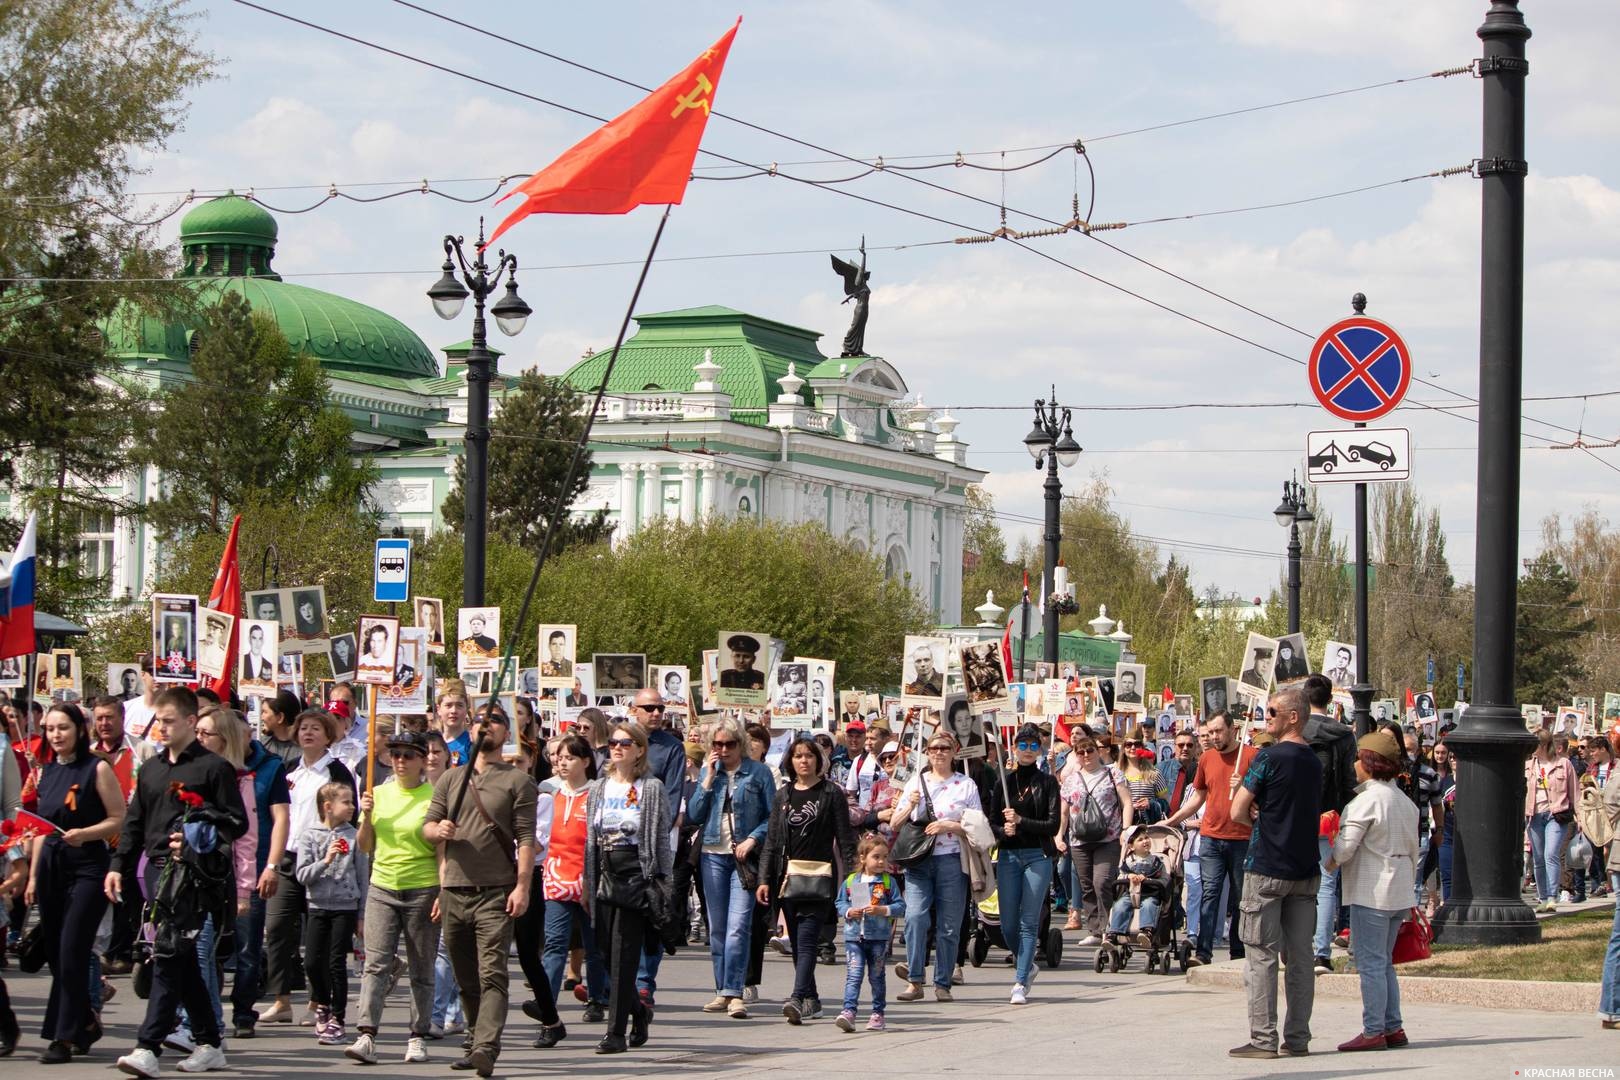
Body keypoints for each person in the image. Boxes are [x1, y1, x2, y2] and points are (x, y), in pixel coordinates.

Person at [107, 687, 248, 1079]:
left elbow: (237, 822)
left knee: (168, 953)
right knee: (180, 958)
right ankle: (208, 1040)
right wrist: (117, 865)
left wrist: (197, 830)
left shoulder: (213, 768)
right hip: (153, 872)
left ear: (189, 721)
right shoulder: (151, 768)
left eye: (169, 721)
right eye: (158, 721)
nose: (162, 728)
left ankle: (147, 1045)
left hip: (193, 876)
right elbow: (134, 822)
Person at [424, 709, 536, 1077]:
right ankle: (474, 1037)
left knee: (493, 974)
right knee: (465, 976)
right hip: (455, 889)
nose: (485, 726)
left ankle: (487, 1045)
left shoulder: (518, 781)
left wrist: (522, 886)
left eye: (495, 721)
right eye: (480, 721)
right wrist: (436, 830)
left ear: (507, 732)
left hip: (496, 891)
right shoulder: (450, 779)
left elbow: (524, 839)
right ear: (470, 731)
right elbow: (428, 827)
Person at [1227, 686, 1323, 1060]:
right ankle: (1297, 1037)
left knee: (1261, 956)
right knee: (1300, 957)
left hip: (1266, 867)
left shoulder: (1268, 758)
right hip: (1305, 870)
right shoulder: (1313, 760)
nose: (1266, 718)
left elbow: (1237, 811)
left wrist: (1256, 813)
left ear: (1292, 716)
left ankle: (1263, 1039)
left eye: (1271, 712)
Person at [25, 704, 125, 1063]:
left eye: (62, 728)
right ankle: (85, 1022)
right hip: (52, 863)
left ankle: (63, 1037)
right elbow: (39, 828)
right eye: (50, 728)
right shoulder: (45, 772)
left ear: (80, 730)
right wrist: (34, 876)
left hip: (88, 867)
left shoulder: (97, 767)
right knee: (55, 953)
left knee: (72, 951)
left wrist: (86, 833)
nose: (55, 735)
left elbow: (118, 818)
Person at [345, 731, 440, 1064]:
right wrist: (367, 816)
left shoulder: (433, 796)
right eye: (395, 754)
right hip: (383, 886)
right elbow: (365, 846)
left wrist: (442, 891)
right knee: (375, 964)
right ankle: (367, 1034)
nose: (400, 761)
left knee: (421, 966)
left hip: (423, 887)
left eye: (408, 755)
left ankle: (417, 1035)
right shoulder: (378, 793)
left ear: (421, 761)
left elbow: (441, 850)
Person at [1323, 728, 1419, 1052]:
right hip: (1400, 890)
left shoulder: (1365, 801)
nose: (1353, 765)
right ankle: (1393, 1026)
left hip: (1372, 889)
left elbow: (1346, 848)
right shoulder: (1404, 801)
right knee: (1384, 961)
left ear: (1369, 762)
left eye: (1357, 759)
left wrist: (1329, 860)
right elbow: (1414, 850)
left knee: (1370, 962)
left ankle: (1373, 1029)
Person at [584, 720, 673, 1055]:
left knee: (624, 954)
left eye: (625, 743)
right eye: (613, 743)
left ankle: (615, 1033)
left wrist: (663, 885)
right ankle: (637, 1010)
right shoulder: (599, 787)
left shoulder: (651, 788)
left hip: (637, 874)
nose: (617, 747)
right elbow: (591, 841)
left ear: (639, 750)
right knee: (605, 952)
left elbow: (660, 840)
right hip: (605, 872)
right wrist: (586, 880)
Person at [756, 737, 857, 1024]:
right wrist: (764, 878)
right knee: (799, 940)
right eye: (798, 756)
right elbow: (773, 842)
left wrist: (852, 879)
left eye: (809, 756)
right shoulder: (783, 795)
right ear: (790, 761)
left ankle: (798, 997)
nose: (804, 761)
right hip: (787, 878)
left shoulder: (830, 793)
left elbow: (845, 839)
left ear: (818, 760)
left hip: (820, 877)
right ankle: (812, 999)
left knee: (809, 938)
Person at [686, 714, 774, 1020]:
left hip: (743, 859)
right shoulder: (711, 773)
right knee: (719, 928)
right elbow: (695, 813)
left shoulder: (759, 773)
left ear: (742, 744)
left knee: (739, 926)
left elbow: (772, 816)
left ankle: (735, 991)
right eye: (718, 744)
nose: (724, 750)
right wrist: (707, 779)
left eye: (730, 744)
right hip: (713, 853)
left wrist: (752, 838)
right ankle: (722, 990)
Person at [1164, 710, 1257, 967]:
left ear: (1233, 729)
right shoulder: (1206, 758)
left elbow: (1265, 798)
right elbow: (1198, 797)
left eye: (1218, 731)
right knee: (1210, 893)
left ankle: (1238, 952)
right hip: (1211, 837)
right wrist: (1172, 820)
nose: (1214, 737)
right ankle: (1203, 951)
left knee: (1240, 898)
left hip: (1242, 837)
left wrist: (1245, 787)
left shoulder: (1251, 757)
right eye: (1210, 732)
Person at [893, 731, 980, 1002]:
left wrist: (949, 826)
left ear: (954, 752)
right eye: (934, 748)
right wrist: (910, 805)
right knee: (916, 917)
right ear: (927, 753)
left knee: (949, 924)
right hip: (920, 859)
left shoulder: (966, 785)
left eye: (944, 748)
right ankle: (915, 980)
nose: (939, 753)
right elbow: (895, 823)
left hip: (952, 858)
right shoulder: (915, 783)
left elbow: (978, 825)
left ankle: (943, 981)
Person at [983, 723, 1060, 1004]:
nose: (1028, 750)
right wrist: (1004, 830)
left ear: (1039, 750)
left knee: (1029, 921)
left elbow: (1053, 825)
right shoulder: (1003, 781)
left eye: (1033, 745)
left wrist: (1021, 821)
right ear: (1014, 748)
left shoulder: (1048, 782)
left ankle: (1020, 980)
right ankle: (1027, 964)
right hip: (1008, 855)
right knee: (1007, 923)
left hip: (1037, 856)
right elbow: (991, 822)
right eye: (1023, 745)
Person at [539, 735, 608, 1026]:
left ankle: (596, 998)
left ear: (586, 761)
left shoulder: (597, 793)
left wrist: (592, 881)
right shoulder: (548, 793)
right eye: (560, 757)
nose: (563, 762)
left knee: (593, 946)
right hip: (556, 878)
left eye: (570, 757)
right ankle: (546, 1002)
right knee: (555, 943)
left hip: (588, 879)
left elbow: (602, 839)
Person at [295, 780, 368, 1046]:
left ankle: (337, 1017)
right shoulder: (310, 834)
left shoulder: (354, 835)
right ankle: (323, 1004)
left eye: (352, 802)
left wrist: (362, 914)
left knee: (337, 962)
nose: (351, 807)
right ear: (328, 807)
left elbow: (362, 875)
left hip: (345, 906)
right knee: (312, 961)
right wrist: (325, 860)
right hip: (317, 905)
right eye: (346, 802)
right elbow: (302, 874)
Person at [1302, 673, 1358, 973]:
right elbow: (1350, 781)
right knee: (1326, 885)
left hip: (1298, 818)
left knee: (1295, 883)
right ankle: (1321, 952)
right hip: (1331, 817)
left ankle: (1296, 947)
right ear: (1330, 700)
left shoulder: (1296, 728)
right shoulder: (1344, 735)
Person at [1057, 730, 1132, 946]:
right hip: (1080, 839)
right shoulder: (1071, 780)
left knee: (1102, 882)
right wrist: (1059, 836)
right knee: (1087, 885)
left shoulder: (1113, 774)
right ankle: (1095, 930)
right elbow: (1064, 812)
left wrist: (1126, 830)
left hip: (1108, 837)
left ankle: (1110, 926)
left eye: (1090, 750)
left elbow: (1127, 802)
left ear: (1098, 752)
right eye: (1081, 752)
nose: (1086, 755)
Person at [833, 835, 904, 1033]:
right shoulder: (851, 881)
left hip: (878, 939)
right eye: (876, 857)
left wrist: (884, 910)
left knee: (876, 976)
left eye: (885, 857)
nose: (881, 861)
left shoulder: (888, 882)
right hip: (854, 937)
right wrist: (848, 912)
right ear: (863, 858)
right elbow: (840, 902)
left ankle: (877, 1014)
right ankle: (849, 1011)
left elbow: (900, 906)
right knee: (854, 975)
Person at [1525, 729, 1578, 913]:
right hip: (1534, 815)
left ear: (1544, 745)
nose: (1532, 748)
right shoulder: (1528, 765)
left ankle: (1552, 897)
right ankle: (1543, 896)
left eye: (1535, 744)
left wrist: (1580, 819)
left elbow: (1575, 793)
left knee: (1551, 854)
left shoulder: (1564, 764)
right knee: (1538, 858)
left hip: (1556, 815)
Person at [1107, 827, 1170, 945]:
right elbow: (1121, 876)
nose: (1145, 841)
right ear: (1131, 846)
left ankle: (1147, 932)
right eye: (1140, 840)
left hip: (1150, 893)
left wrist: (1148, 879)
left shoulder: (1157, 861)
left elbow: (1164, 879)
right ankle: (1114, 933)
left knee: (1149, 905)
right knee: (1120, 905)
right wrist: (1129, 876)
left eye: (1146, 838)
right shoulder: (1128, 861)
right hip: (1130, 893)